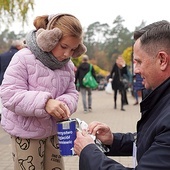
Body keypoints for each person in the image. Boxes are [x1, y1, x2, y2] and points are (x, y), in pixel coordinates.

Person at [74, 20, 170, 169]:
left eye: (138, 62)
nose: (136, 70)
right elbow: (152, 141)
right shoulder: (161, 97)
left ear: (162, 60)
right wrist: (113, 140)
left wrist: (88, 152)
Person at [0, 13, 86, 170]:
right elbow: (9, 94)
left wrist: (64, 104)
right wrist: (45, 102)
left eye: (73, 49)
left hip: (54, 132)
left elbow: (72, 92)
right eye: (64, 47)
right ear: (50, 38)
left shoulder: (67, 65)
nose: (67, 54)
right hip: (26, 134)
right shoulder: (23, 57)